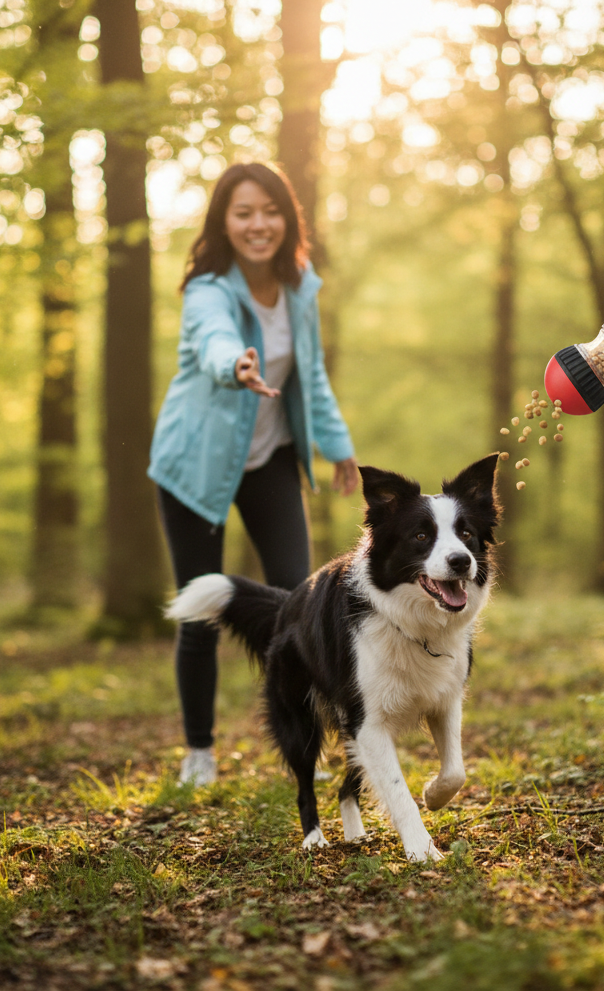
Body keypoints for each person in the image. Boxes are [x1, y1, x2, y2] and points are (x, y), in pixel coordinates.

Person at [148, 162, 358, 787]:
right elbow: (213, 339)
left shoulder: (299, 287)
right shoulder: (208, 289)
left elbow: (311, 376)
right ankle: (199, 752)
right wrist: (234, 363)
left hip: (268, 461)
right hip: (194, 467)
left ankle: (306, 750)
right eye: (243, 213)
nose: (258, 224)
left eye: (269, 210)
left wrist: (337, 445)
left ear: (286, 217)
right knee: (198, 610)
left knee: (300, 601)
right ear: (224, 222)